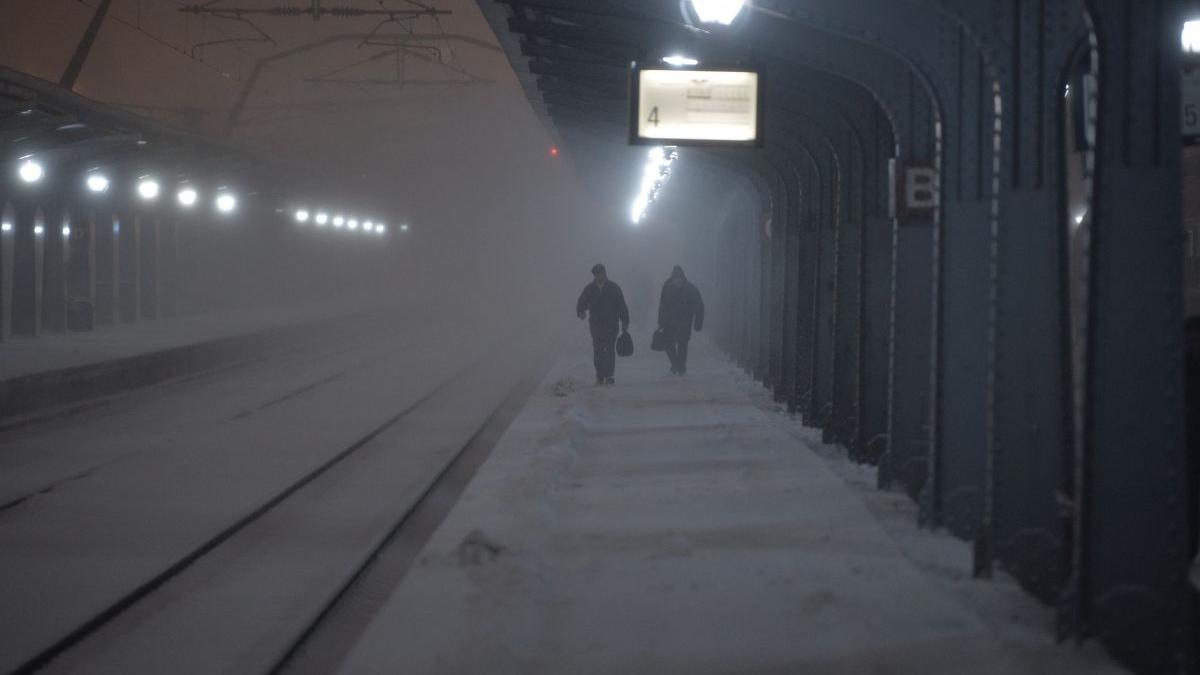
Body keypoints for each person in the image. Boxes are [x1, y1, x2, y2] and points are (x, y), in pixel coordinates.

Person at [576, 263, 630, 385]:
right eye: (597, 275)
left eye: (601, 274)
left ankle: (610, 375)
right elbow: (582, 302)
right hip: (596, 325)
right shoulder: (590, 289)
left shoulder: (614, 288)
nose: (599, 276)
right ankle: (600, 375)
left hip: (612, 324)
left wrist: (625, 322)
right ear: (594, 275)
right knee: (598, 350)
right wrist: (581, 312)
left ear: (605, 273)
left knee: (610, 349)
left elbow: (622, 306)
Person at [657, 265, 704, 375]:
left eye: (680, 279)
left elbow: (699, 306)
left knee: (682, 345)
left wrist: (698, 322)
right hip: (669, 322)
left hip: (685, 322)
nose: (678, 282)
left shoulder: (691, 289)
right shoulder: (667, 287)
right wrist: (661, 321)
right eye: (676, 279)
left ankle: (681, 368)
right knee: (669, 344)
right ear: (672, 279)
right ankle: (676, 364)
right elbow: (662, 304)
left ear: (683, 278)